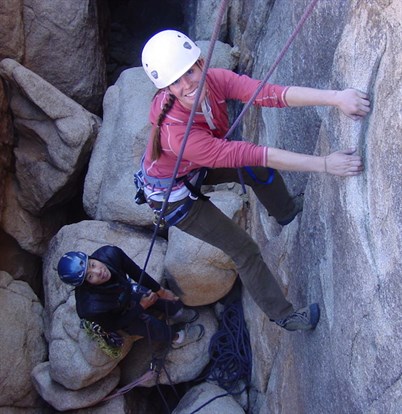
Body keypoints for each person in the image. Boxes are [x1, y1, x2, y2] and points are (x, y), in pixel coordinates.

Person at [138, 30, 370, 331]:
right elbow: (257, 153)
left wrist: (336, 98)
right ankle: (284, 316)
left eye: (190, 72)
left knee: (256, 172)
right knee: (243, 249)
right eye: (176, 81)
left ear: (201, 63)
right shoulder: (178, 136)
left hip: (190, 169)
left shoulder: (215, 80)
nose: (188, 84)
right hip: (174, 199)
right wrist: (326, 164)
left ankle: (285, 211)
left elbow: (270, 93)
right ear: (167, 88)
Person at [57, 245, 204, 348]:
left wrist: (160, 291)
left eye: (92, 264)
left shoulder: (110, 254)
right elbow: (112, 325)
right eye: (90, 276)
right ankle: (177, 338)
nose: (98, 272)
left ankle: (177, 313)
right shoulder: (91, 307)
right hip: (118, 314)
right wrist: (141, 307)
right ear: (85, 284)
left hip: (124, 291)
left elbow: (136, 272)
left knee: (157, 296)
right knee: (150, 325)